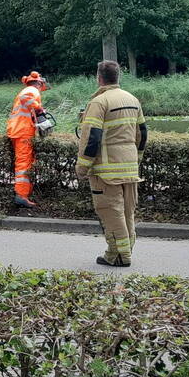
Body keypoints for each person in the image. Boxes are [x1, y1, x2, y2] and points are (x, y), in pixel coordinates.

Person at [75, 60, 147, 267]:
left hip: (106, 171)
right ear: (118, 77)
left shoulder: (99, 102)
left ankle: (121, 256)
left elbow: (92, 137)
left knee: (110, 211)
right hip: (130, 168)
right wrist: (136, 158)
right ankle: (118, 252)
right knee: (126, 211)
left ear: (99, 78)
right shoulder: (132, 99)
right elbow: (142, 134)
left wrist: (82, 167)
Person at [6, 71, 51, 207]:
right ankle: (21, 195)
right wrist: (39, 109)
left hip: (20, 130)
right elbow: (27, 98)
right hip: (22, 131)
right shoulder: (31, 90)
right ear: (38, 83)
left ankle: (24, 194)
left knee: (25, 162)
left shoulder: (28, 89)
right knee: (23, 164)